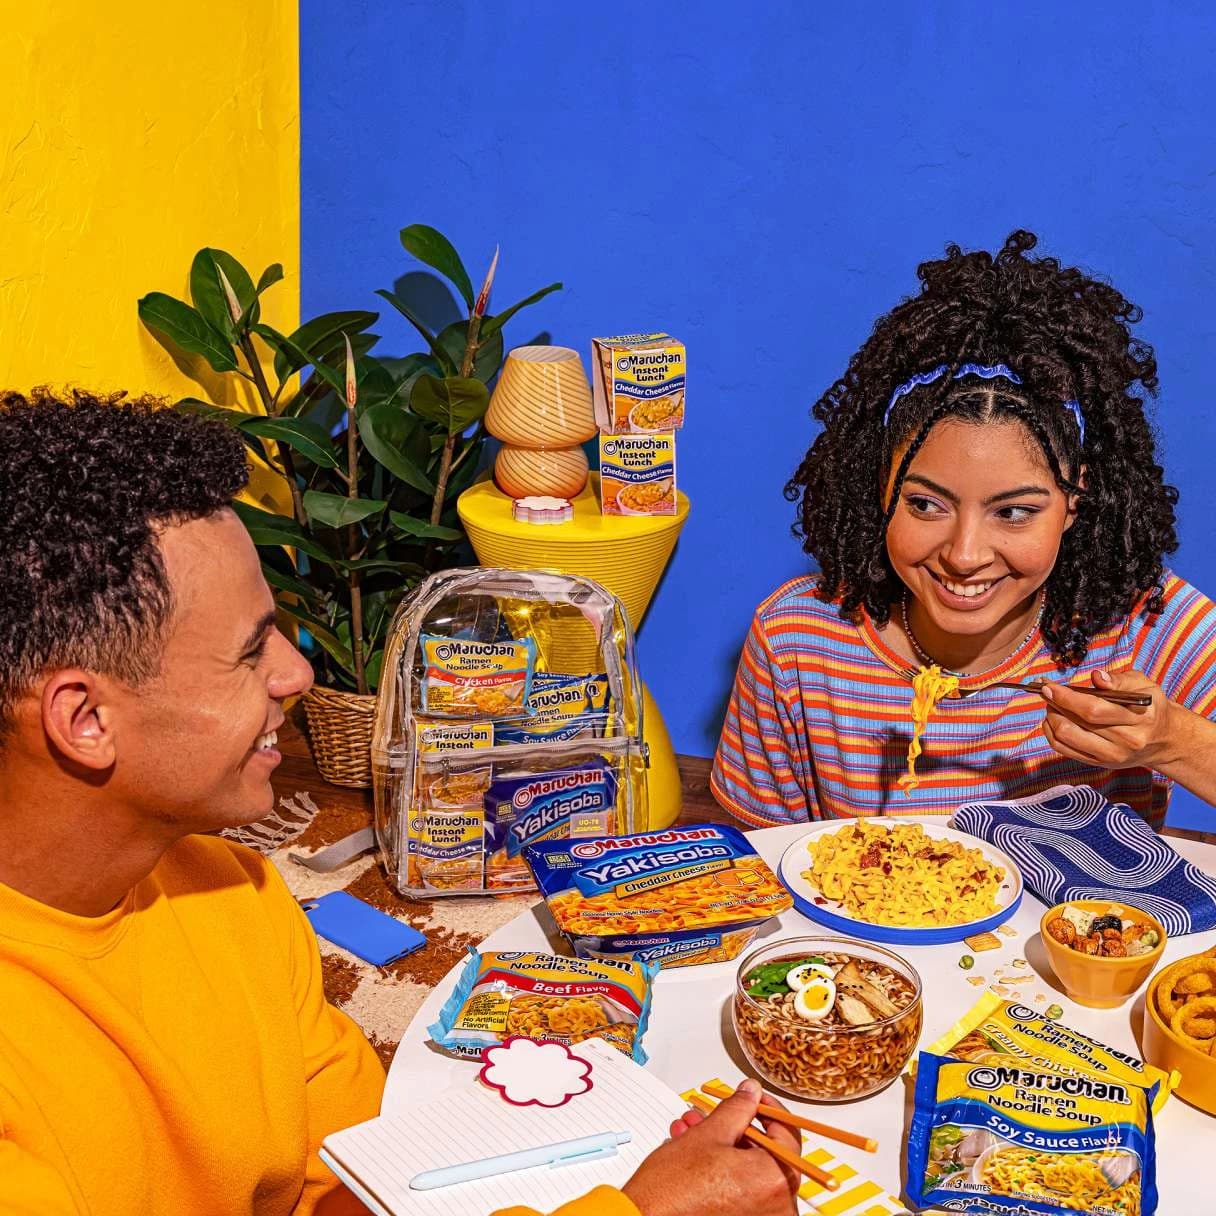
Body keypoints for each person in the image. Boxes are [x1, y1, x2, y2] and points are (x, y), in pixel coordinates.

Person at [0, 389, 800, 1216]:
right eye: (248, 653)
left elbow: (357, 1185)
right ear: (84, 719)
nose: (297, 673)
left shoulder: (234, 892)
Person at [712, 232, 1216, 830]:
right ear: (881, 488)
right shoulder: (796, 641)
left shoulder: (1146, 625)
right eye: (926, 504)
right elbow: (763, 872)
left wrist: (1170, 743)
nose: (965, 554)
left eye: (1014, 512)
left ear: (1074, 501)